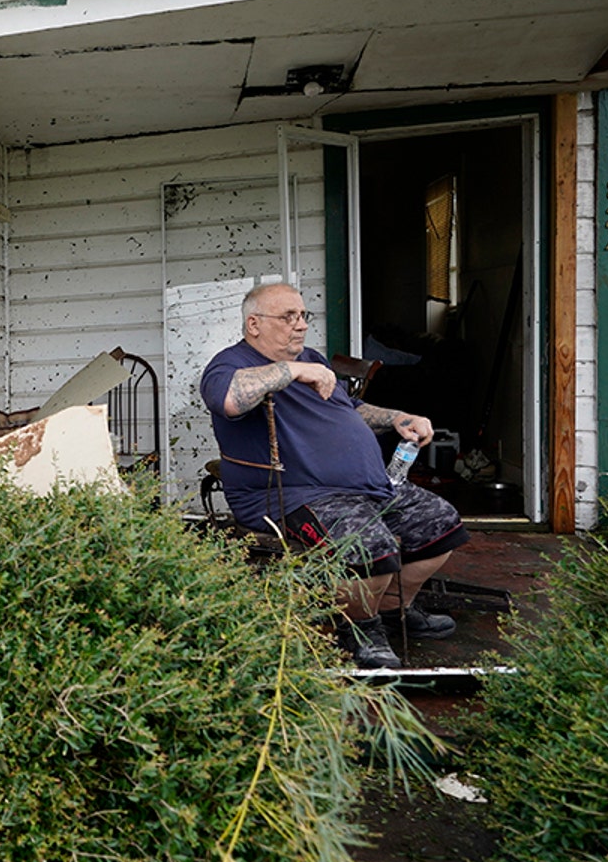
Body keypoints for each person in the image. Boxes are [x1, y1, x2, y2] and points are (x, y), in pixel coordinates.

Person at [199, 282, 469, 669]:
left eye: (303, 315)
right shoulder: (230, 365)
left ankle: (394, 609)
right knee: (367, 547)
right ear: (254, 324)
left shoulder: (312, 358)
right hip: (292, 494)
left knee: (439, 524)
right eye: (288, 316)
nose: (301, 325)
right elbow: (228, 398)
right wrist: (293, 370)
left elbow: (352, 407)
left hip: (366, 487)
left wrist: (398, 418)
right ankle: (360, 626)